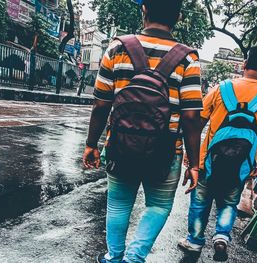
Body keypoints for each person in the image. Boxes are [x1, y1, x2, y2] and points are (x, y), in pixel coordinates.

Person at [82, 0, 203, 262]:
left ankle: (114, 258)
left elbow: (101, 104)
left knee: (118, 204)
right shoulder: (188, 58)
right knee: (158, 206)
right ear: (179, 17)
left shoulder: (117, 48)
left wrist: (92, 143)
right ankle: (134, 258)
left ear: (144, 9)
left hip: (120, 144)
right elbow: (192, 116)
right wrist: (194, 163)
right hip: (166, 150)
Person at [178, 42, 257, 261]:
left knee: (200, 202)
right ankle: (221, 236)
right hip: (242, 164)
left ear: (244, 64)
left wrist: (192, 157)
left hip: (208, 160)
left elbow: (198, 122)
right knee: (229, 203)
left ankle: (195, 240)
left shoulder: (222, 88)